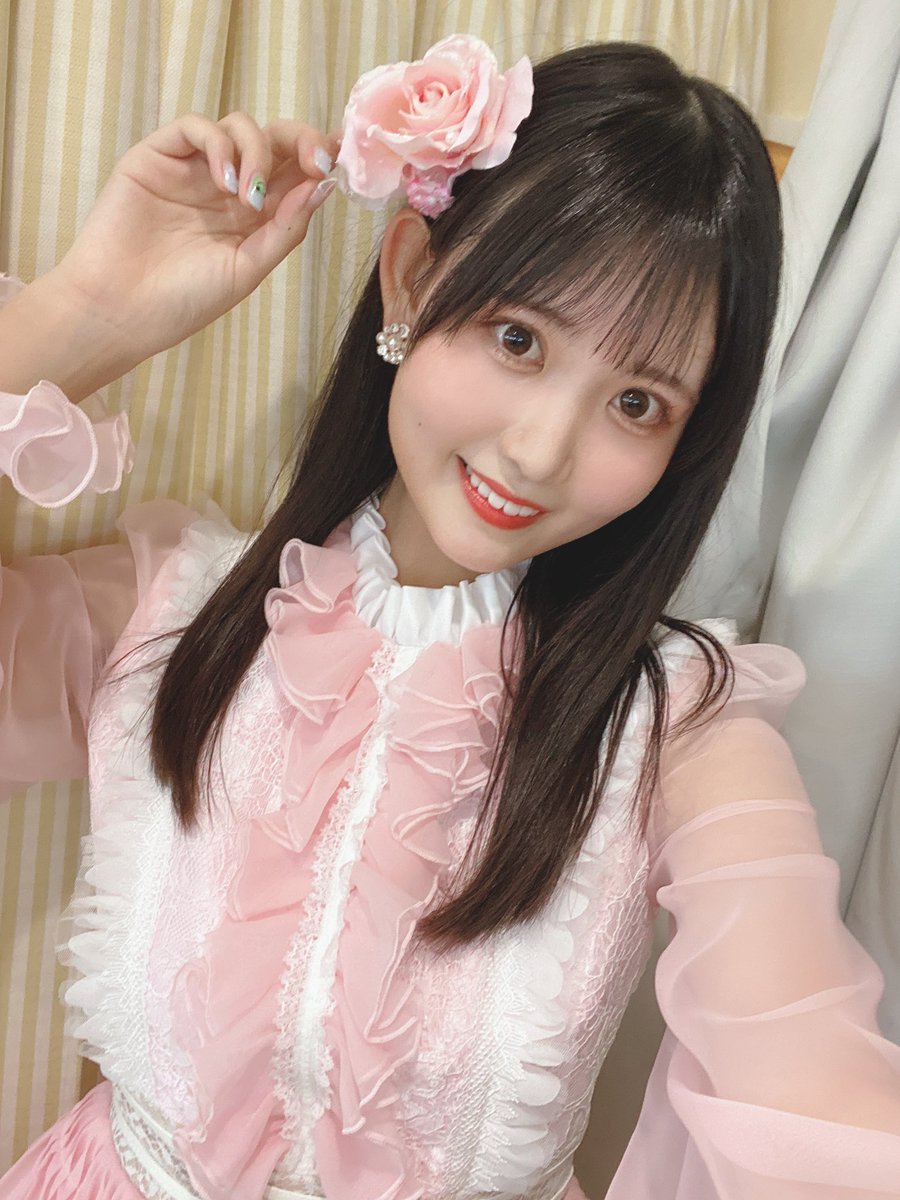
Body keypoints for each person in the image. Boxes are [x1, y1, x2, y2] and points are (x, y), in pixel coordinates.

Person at [1, 31, 899, 1200]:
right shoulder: (172, 614)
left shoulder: (683, 732)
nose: (542, 449)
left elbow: (812, 1095)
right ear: (414, 278)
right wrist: (79, 319)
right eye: (518, 339)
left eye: (637, 402)